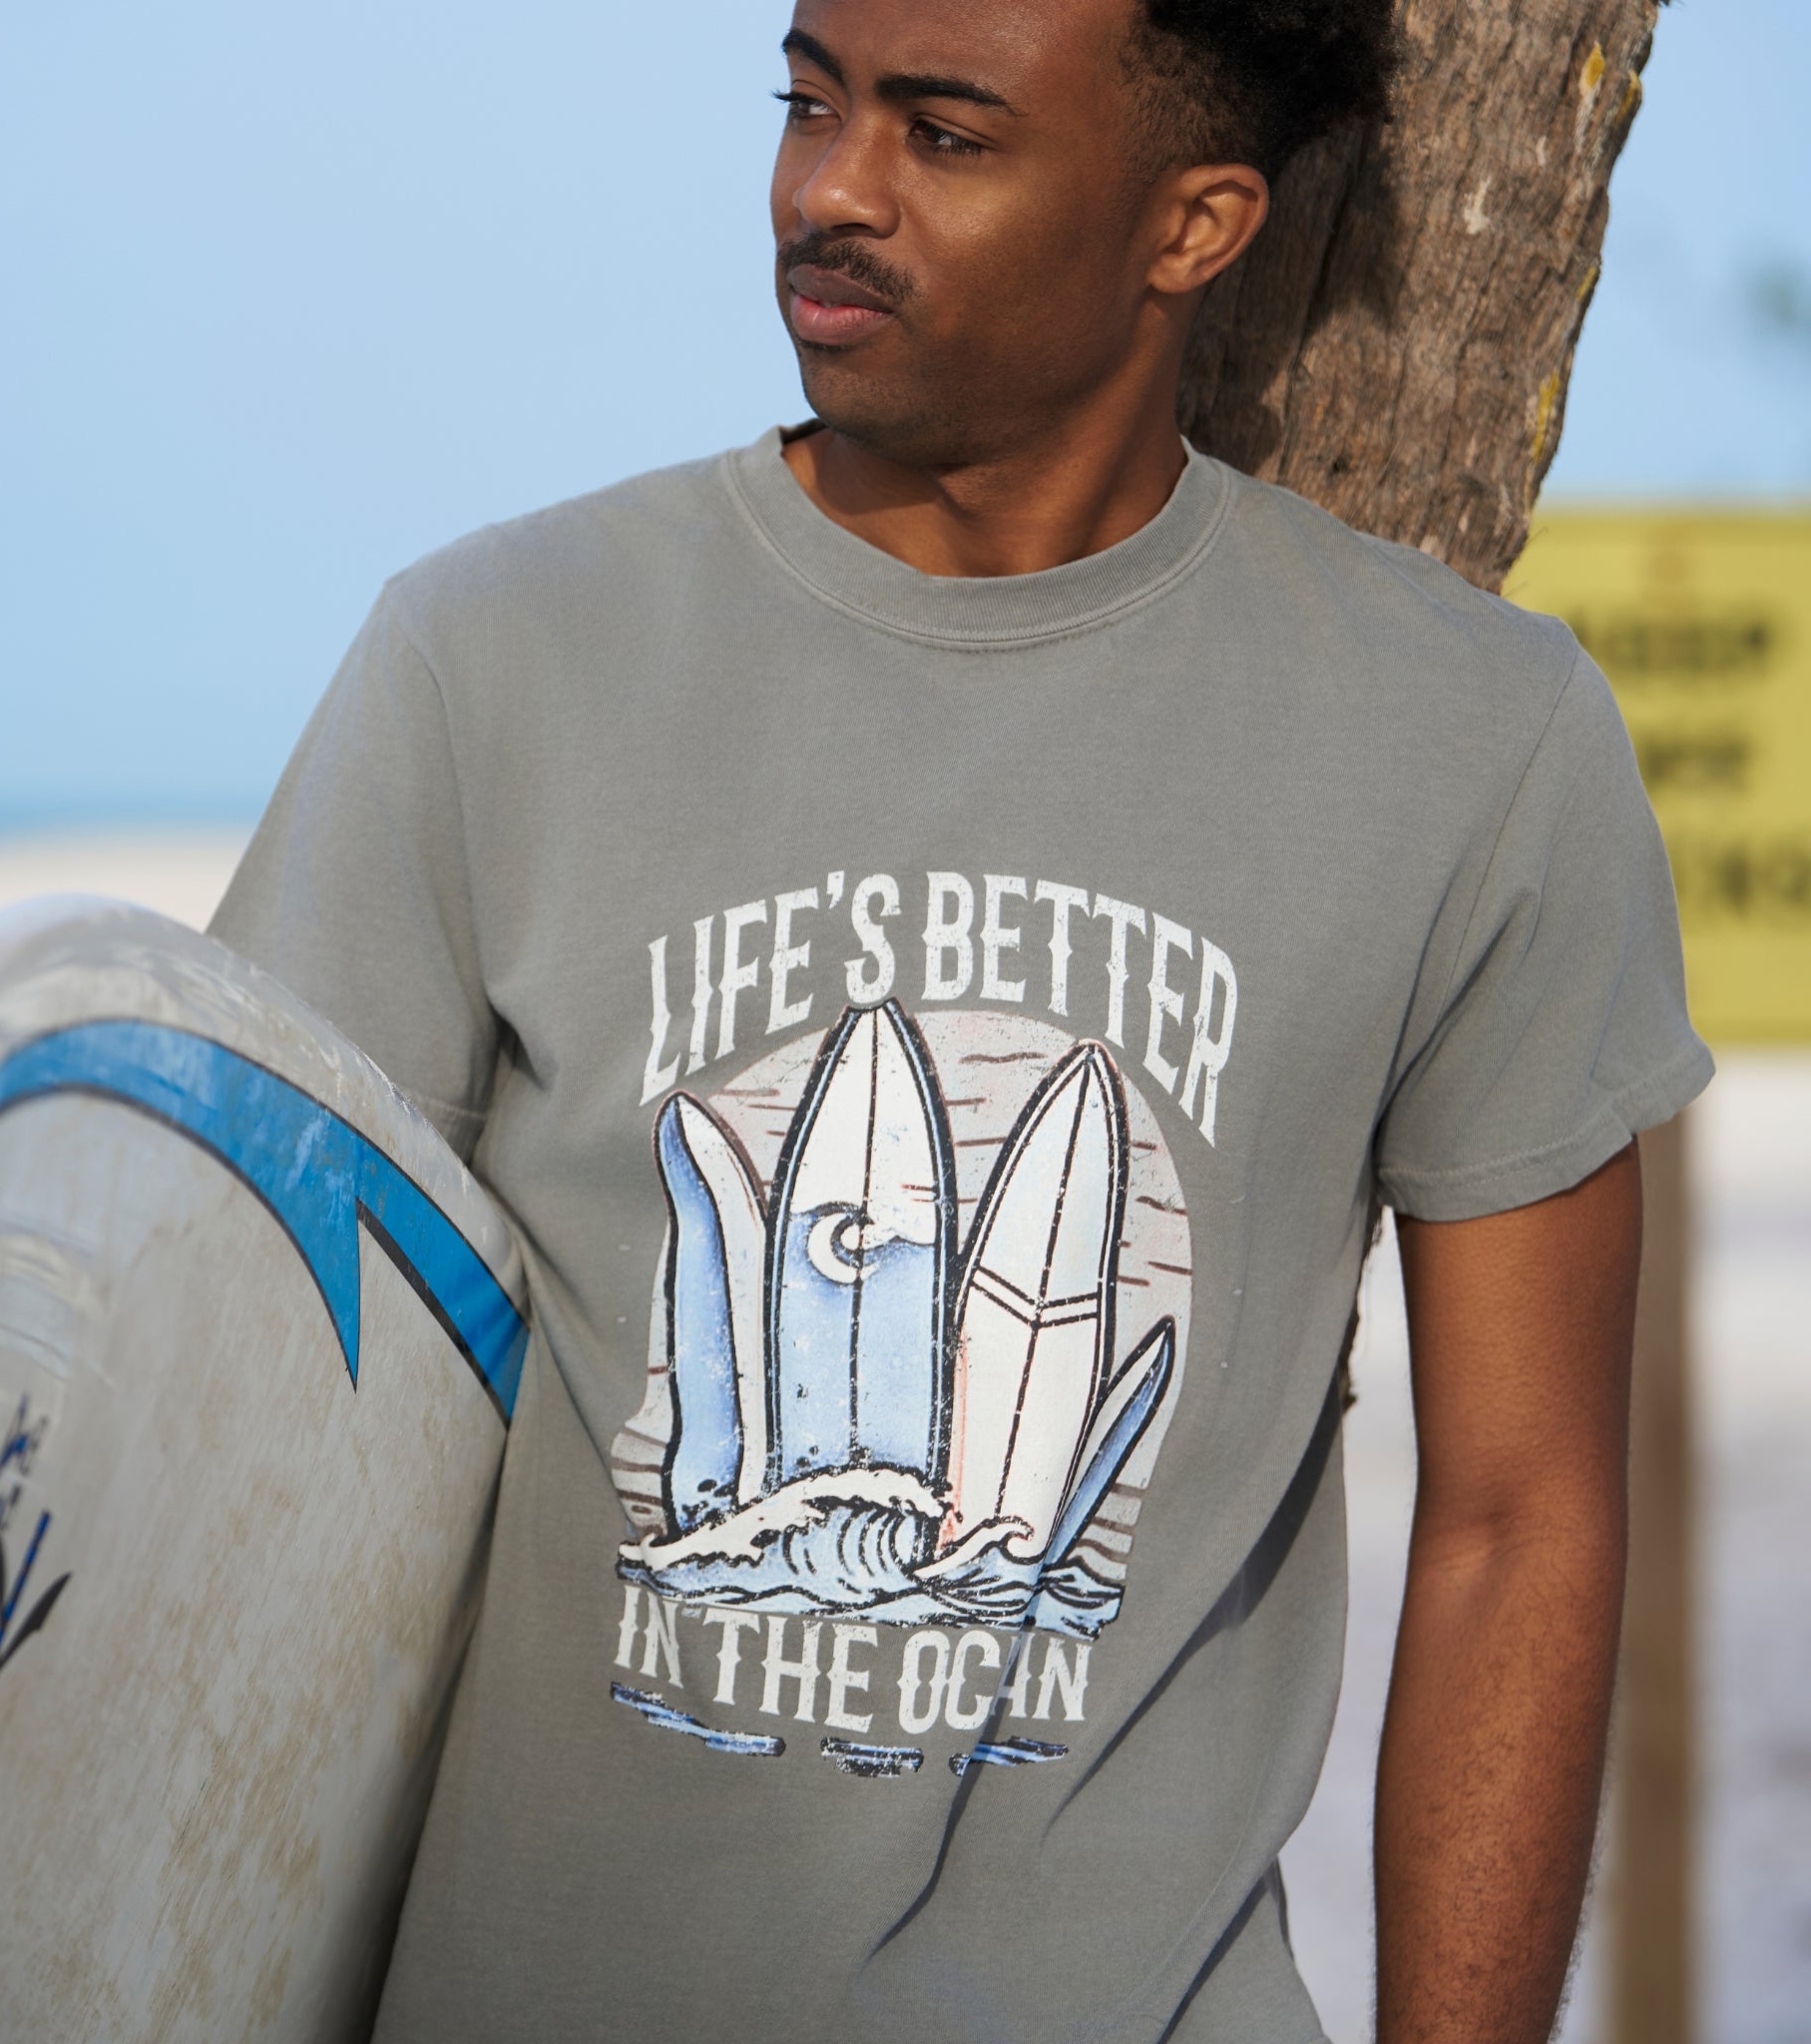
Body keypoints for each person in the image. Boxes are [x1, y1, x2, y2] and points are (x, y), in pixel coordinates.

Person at [213, 1, 1710, 2037]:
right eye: (808, 95)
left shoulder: (1468, 743)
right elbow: (236, 1395)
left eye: (943, 132)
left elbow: (1520, 1517)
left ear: (1192, 225)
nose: (827, 188)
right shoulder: (497, 665)